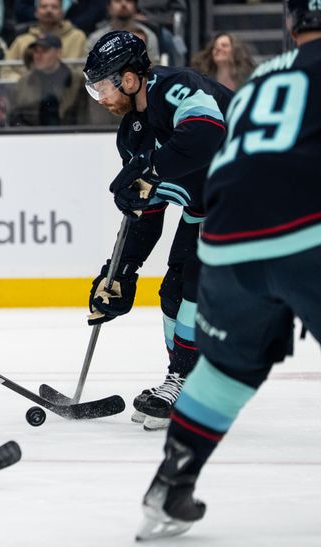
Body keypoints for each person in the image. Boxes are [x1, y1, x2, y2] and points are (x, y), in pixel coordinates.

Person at [136, 2, 321, 540]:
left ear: (291, 24)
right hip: (303, 231)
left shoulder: (266, 75)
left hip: (224, 239)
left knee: (228, 369)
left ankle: (170, 486)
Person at [82, 30, 232, 431]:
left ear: (130, 80)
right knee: (173, 290)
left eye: (103, 86)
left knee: (195, 289)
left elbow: (206, 132)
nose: (100, 97)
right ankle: (184, 381)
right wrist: (120, 273)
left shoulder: (177, 88)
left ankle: (187, 382)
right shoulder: (132, 133)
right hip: (207, 207)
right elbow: (147, 214)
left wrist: (151, 169)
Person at [2, 0, 86, 81]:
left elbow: (85, 70)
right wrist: (24, 82)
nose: (49, 10)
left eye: (54, 7)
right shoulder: (21, 40)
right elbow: (6, 70)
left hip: (69, 90)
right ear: (36, 12)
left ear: (62, 12)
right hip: (28, 90)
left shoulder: (78, 37)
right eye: (44, 6)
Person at [9, 33, 78, 126]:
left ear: (59, 53)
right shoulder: (24, 82)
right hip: (32, 136)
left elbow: (85, 116)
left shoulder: (77, 80)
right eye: (36, 51)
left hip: (72, 136)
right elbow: (16, 116)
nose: (38, 56)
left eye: (44, 51)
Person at [85, 0, 160, 64]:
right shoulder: (96, 39)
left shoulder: (148, 36)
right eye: (118, 1)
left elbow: (153, 68)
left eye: (129, 1)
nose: (123, 4)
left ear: (135, 7)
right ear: (109, 7)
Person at [190, 32, 255, 92]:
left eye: (224, 45)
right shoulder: (204, 79)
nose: (218, 48)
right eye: (215, 46)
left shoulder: (248, 78)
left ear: (235, 51)